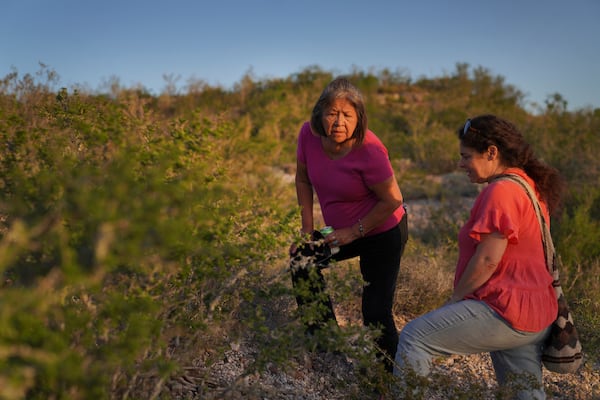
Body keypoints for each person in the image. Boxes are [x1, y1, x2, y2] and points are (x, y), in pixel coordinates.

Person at [394, 115, 564, 399]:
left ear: (492, 153)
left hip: (505, 310)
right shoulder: (527, 186)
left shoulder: (502, 191)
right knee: (524, 394)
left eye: (465, 157)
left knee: (415, 337)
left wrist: (455, 299)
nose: (460, 165)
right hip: (536, 313)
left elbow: (487, 260)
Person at [289, 77, 408, 372]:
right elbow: (303, 178)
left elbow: (392, 200)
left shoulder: (370, 149)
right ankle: (327, 347)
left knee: (375, 312)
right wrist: (307, 231)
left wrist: (353, 232)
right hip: (339, 232)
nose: (339, 122)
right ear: (319, 115)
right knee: (303, 259)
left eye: (347, 115)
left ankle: (390, 377)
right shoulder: (308, 135)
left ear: (359, 119)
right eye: (332, 113)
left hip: (382, 231)